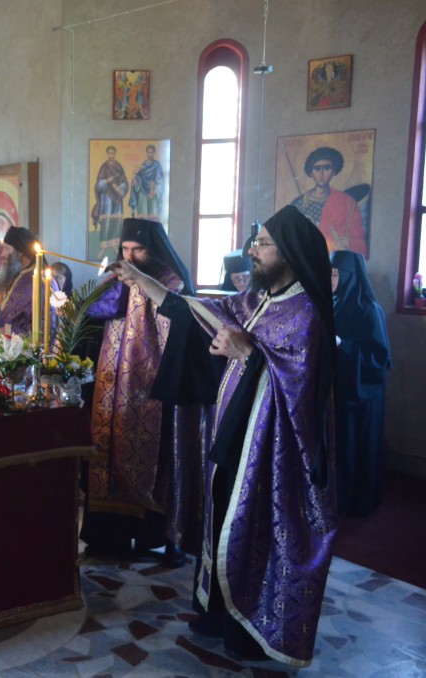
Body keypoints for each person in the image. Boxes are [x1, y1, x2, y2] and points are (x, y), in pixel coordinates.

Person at [109, 205, 337, 666]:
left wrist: (247, 352)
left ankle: (251, 628)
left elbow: (301, 389)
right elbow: (195, 311)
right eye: (255, 242)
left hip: (271, 449)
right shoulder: (258, 299)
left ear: (289, 253)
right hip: (234, 434)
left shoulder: (307, 313)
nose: (253, 250)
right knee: (222, 520)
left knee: (253, 529)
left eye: (263, 244)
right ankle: (216, 612)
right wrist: (141, 280)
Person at [83, 218, 201, 567]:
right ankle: (111, 537)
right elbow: (97, 310)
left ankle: (162, 538)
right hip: (112, 384)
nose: (130, 257)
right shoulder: (118, 278)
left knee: (158, 458)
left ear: (154, 250)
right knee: (107, 452)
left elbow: (181, 321)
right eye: (125, 249)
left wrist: (139, 283)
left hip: (152, 387)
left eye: (138, 250)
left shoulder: (171, 281)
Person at [331, 250, 390, 515]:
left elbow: (379, 358)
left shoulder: (369, 310)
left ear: (349, 277)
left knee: (358, 445)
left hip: (362, 392)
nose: (330, 280)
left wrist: (343, 345)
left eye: (334, 275)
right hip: (340, 388)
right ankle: (339, 497)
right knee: (341, 445)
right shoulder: (334, 304)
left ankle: (359, 500)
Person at [289, 146, 367, 256]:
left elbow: (360, 243)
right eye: (317, 169)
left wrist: (347, 242)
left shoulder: (347, 202)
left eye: (327, 168)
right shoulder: (298, 204)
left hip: (335, 260)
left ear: (334, 171)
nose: (321, 174)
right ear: (311, 173)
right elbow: (289, 238)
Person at [0, 227, 56, 340]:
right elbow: (2, 316)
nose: (2, 254)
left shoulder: (41, 281)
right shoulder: (16, 276)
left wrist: (9, 332)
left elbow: (46, 327)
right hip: (6, 347)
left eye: (6, 248)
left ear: (20, 251)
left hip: (30, 350)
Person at [91, 145, 129, 244]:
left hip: (117, 196)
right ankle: (105, 242)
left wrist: (120, 188)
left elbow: (124, 181)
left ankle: (115, 242)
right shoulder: (104, 167)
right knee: (107, 218)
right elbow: (98, 185)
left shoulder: (119, 167)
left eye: (113, 153)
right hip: (107, 196)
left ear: (115, 154)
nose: (111, 155)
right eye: (109, 153)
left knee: (117, 218)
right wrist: (107, 180)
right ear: (107, 154)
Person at [129, 144, 164, 220]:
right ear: (146, 153)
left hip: (153, 194)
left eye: (151, 152)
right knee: (142, 219)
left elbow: (161, 181)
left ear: (154, 153)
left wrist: (155, 191)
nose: (150, 154)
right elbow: (137, 182)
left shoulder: (157, 166)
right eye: (148, 152)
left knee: (153, 219)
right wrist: (135, 177)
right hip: (143, 195)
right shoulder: (142, 167)